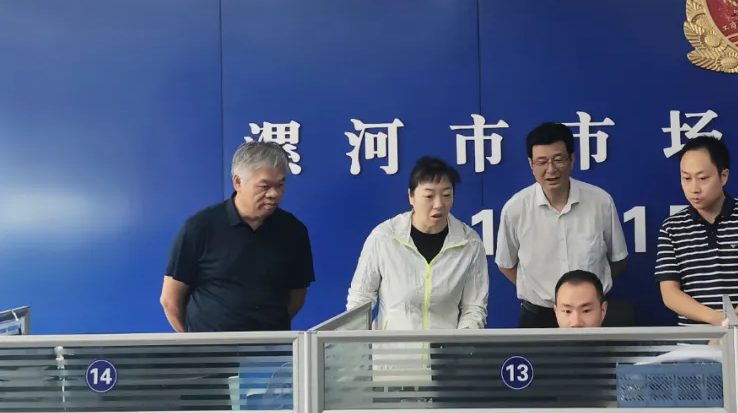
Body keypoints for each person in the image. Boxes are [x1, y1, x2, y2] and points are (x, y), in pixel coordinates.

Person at [161, 142, 315, 332]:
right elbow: (170, 300)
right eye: (264, 186)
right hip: (211, 347)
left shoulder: (294, 231)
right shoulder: (200, 228)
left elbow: (297, 296)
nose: (274, 194)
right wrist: (194, 342)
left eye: (280, 185)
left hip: (272, 346)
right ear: (238, 182)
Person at [496, 122, 629, 328]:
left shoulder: (600, 202)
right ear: (531, 165)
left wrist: (588, 295)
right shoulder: (515, 209)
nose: (551, 169)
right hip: (538, 316)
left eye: (558, 160)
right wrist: (537, 291)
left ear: (572, 159)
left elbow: (618, 259)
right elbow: (506, 264)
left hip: (590, 316)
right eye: (541, 162)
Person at [347, 157, 488, 330]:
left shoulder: (469, 243)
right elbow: (360, 299)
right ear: (411, 196)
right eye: (429, 196)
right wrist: (357, 343)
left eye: (447, 195)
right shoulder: (384, 238)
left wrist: (461, 339)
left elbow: (474, 308)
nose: (439, 204)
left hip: (446, 346)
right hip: (392, 346)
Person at [655, 135, 738, 325]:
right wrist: (717, 321)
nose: (694, 188)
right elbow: (670, 293)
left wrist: (731, 329)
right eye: (686, 178)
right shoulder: (672, 227)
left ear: (724, 176)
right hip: (696, 340)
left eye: (703, 178)